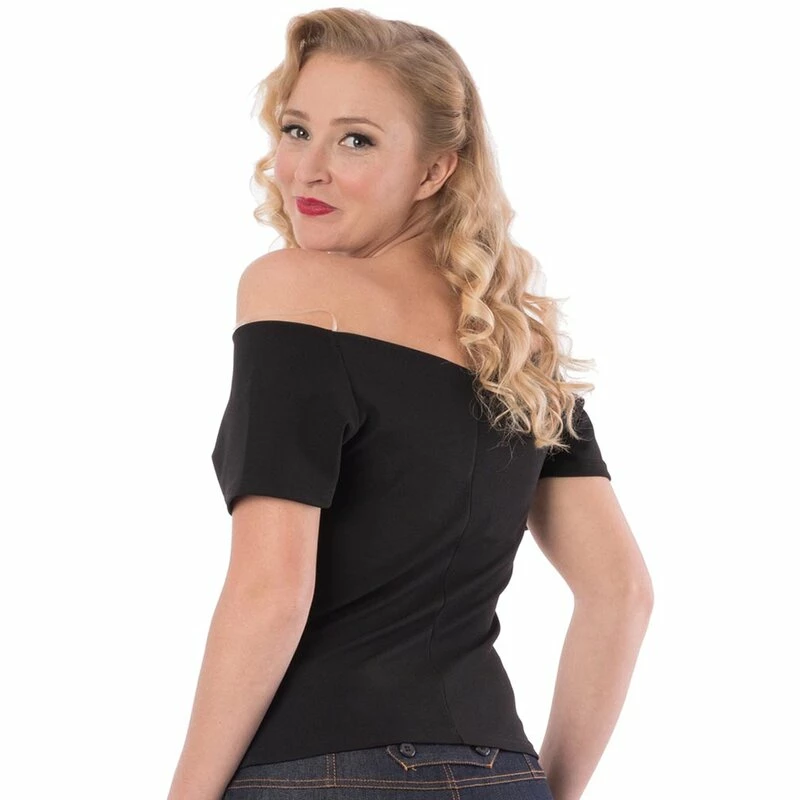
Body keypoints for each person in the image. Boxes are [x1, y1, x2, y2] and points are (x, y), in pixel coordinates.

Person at [166, 8, 654, 800]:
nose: (307, 170)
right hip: (503, 774)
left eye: (356, 140)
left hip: (323, 773)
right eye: (297, 130)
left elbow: (271, 592)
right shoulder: (516, 343)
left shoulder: (294, 290)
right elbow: (622, 593)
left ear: (434, 171)